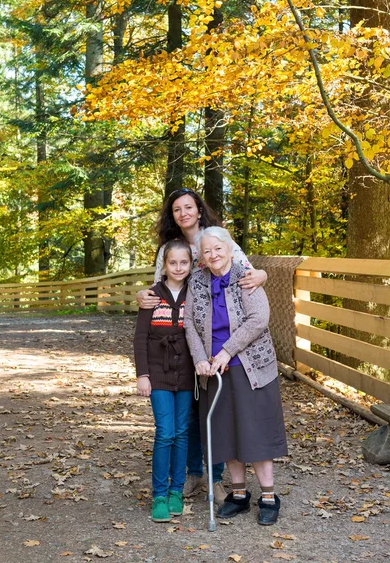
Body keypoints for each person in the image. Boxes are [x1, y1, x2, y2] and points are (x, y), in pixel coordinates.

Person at [136, 188, 268, 505]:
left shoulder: (217, 240)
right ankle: (193, 474)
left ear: (198, 210)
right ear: (173, 215)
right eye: (177, 209)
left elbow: (247, 269)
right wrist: (142, 295)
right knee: (191, 410)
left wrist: (261, 274)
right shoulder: (170, 249)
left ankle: (216, 476)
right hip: (181, 339)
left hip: (215, 336)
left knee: (212, 406)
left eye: (188, 207)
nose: (183, 213)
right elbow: (158, 288)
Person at [184, 227, 288, 526]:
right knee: (224, 431)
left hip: (248, 365)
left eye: (218, 248)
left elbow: (259, 319)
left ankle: (268, 495)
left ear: (230, 249)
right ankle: (239, 493)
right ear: (201, 257)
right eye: (207, 251)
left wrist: (227, 352)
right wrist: (200, 358)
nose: (213, 255)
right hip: (212, 369)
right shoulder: (197, 280)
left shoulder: (246, 275)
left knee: (254, 430)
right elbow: (189, 321)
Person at [133, 240, 195, 523]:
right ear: (164, 265)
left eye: (184, 263)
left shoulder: (195, 293)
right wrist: (142, 375)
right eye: (173, 263)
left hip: (186, 373)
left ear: (191, 264)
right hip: (158, 373)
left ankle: (176, 492)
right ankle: (159, 494)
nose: (179, 268)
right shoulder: (151, 296)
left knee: (182, 431)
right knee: (165, 431)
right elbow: (140, 339)